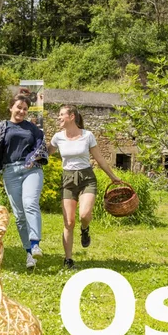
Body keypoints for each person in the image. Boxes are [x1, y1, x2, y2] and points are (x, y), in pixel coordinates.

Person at [0, 93, 49, 270]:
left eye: (25, 109)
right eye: (19, 107)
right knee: (20, 216)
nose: (21, 111)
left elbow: (41, 146)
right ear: (11, 107)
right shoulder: (3, 127)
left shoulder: (32, 129)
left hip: (31, 169)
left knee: (30, 203)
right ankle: (29, 254)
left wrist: (33, 159)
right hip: (10, 172)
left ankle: (35, 243)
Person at [49, 105, 121, 269]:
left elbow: (100, 159)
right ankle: (68, 260)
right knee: (68, 221)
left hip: (87, 178)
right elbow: (45, 153)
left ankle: (85, 228)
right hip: (67, 179)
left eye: (61, 115)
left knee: (84, 214)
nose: (58, 118)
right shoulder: (57, 137)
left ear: (71, 116)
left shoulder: (87, 135)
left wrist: (113, 177)